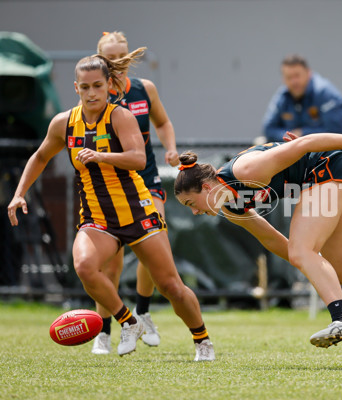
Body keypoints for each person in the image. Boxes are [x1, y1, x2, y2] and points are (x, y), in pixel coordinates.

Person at [6, 49, 214, 361]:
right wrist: (19, 192)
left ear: (108, 86)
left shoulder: (120, 116)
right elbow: (40, 156)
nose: (92, 93)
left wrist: (101, 156)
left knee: (170, 285)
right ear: (76, 88)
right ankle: (128, 322)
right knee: (85, 267)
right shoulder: (64, 124)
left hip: (136, 209)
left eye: (97, 86)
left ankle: (202, 340)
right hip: (97, 216)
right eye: (85, 87)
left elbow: (138, 157)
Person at [174, 134, 342, 368]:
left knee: (304, 250)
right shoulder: (232, 208)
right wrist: (309, 262)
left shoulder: (246, 171)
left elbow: (307, 143)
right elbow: (272, 240)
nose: (196, 211)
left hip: (326, 170)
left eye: (191, 203)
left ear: (207, 187)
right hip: (326, 176)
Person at [88, 31, 179, 355]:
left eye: (123, 56)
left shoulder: (144, 89)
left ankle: (142, 310)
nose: (119, 63)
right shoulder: (96, 95)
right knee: (110, 265)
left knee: (156, 246)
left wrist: (170, 149)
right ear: (100, 61)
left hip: (147, 179)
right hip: (111, 185)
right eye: (111, 58)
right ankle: (104, 331)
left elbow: (164, 123)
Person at [262, 54, 342, 142]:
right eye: (289, 77)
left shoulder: (325, 93)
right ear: (283, 79)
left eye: (297, 76)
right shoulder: (282, 96)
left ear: (308, 73)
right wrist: (288, 136)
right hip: (297, 152)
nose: (294, 82)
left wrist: (302, 134)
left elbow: (337, 132)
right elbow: (268, 129)